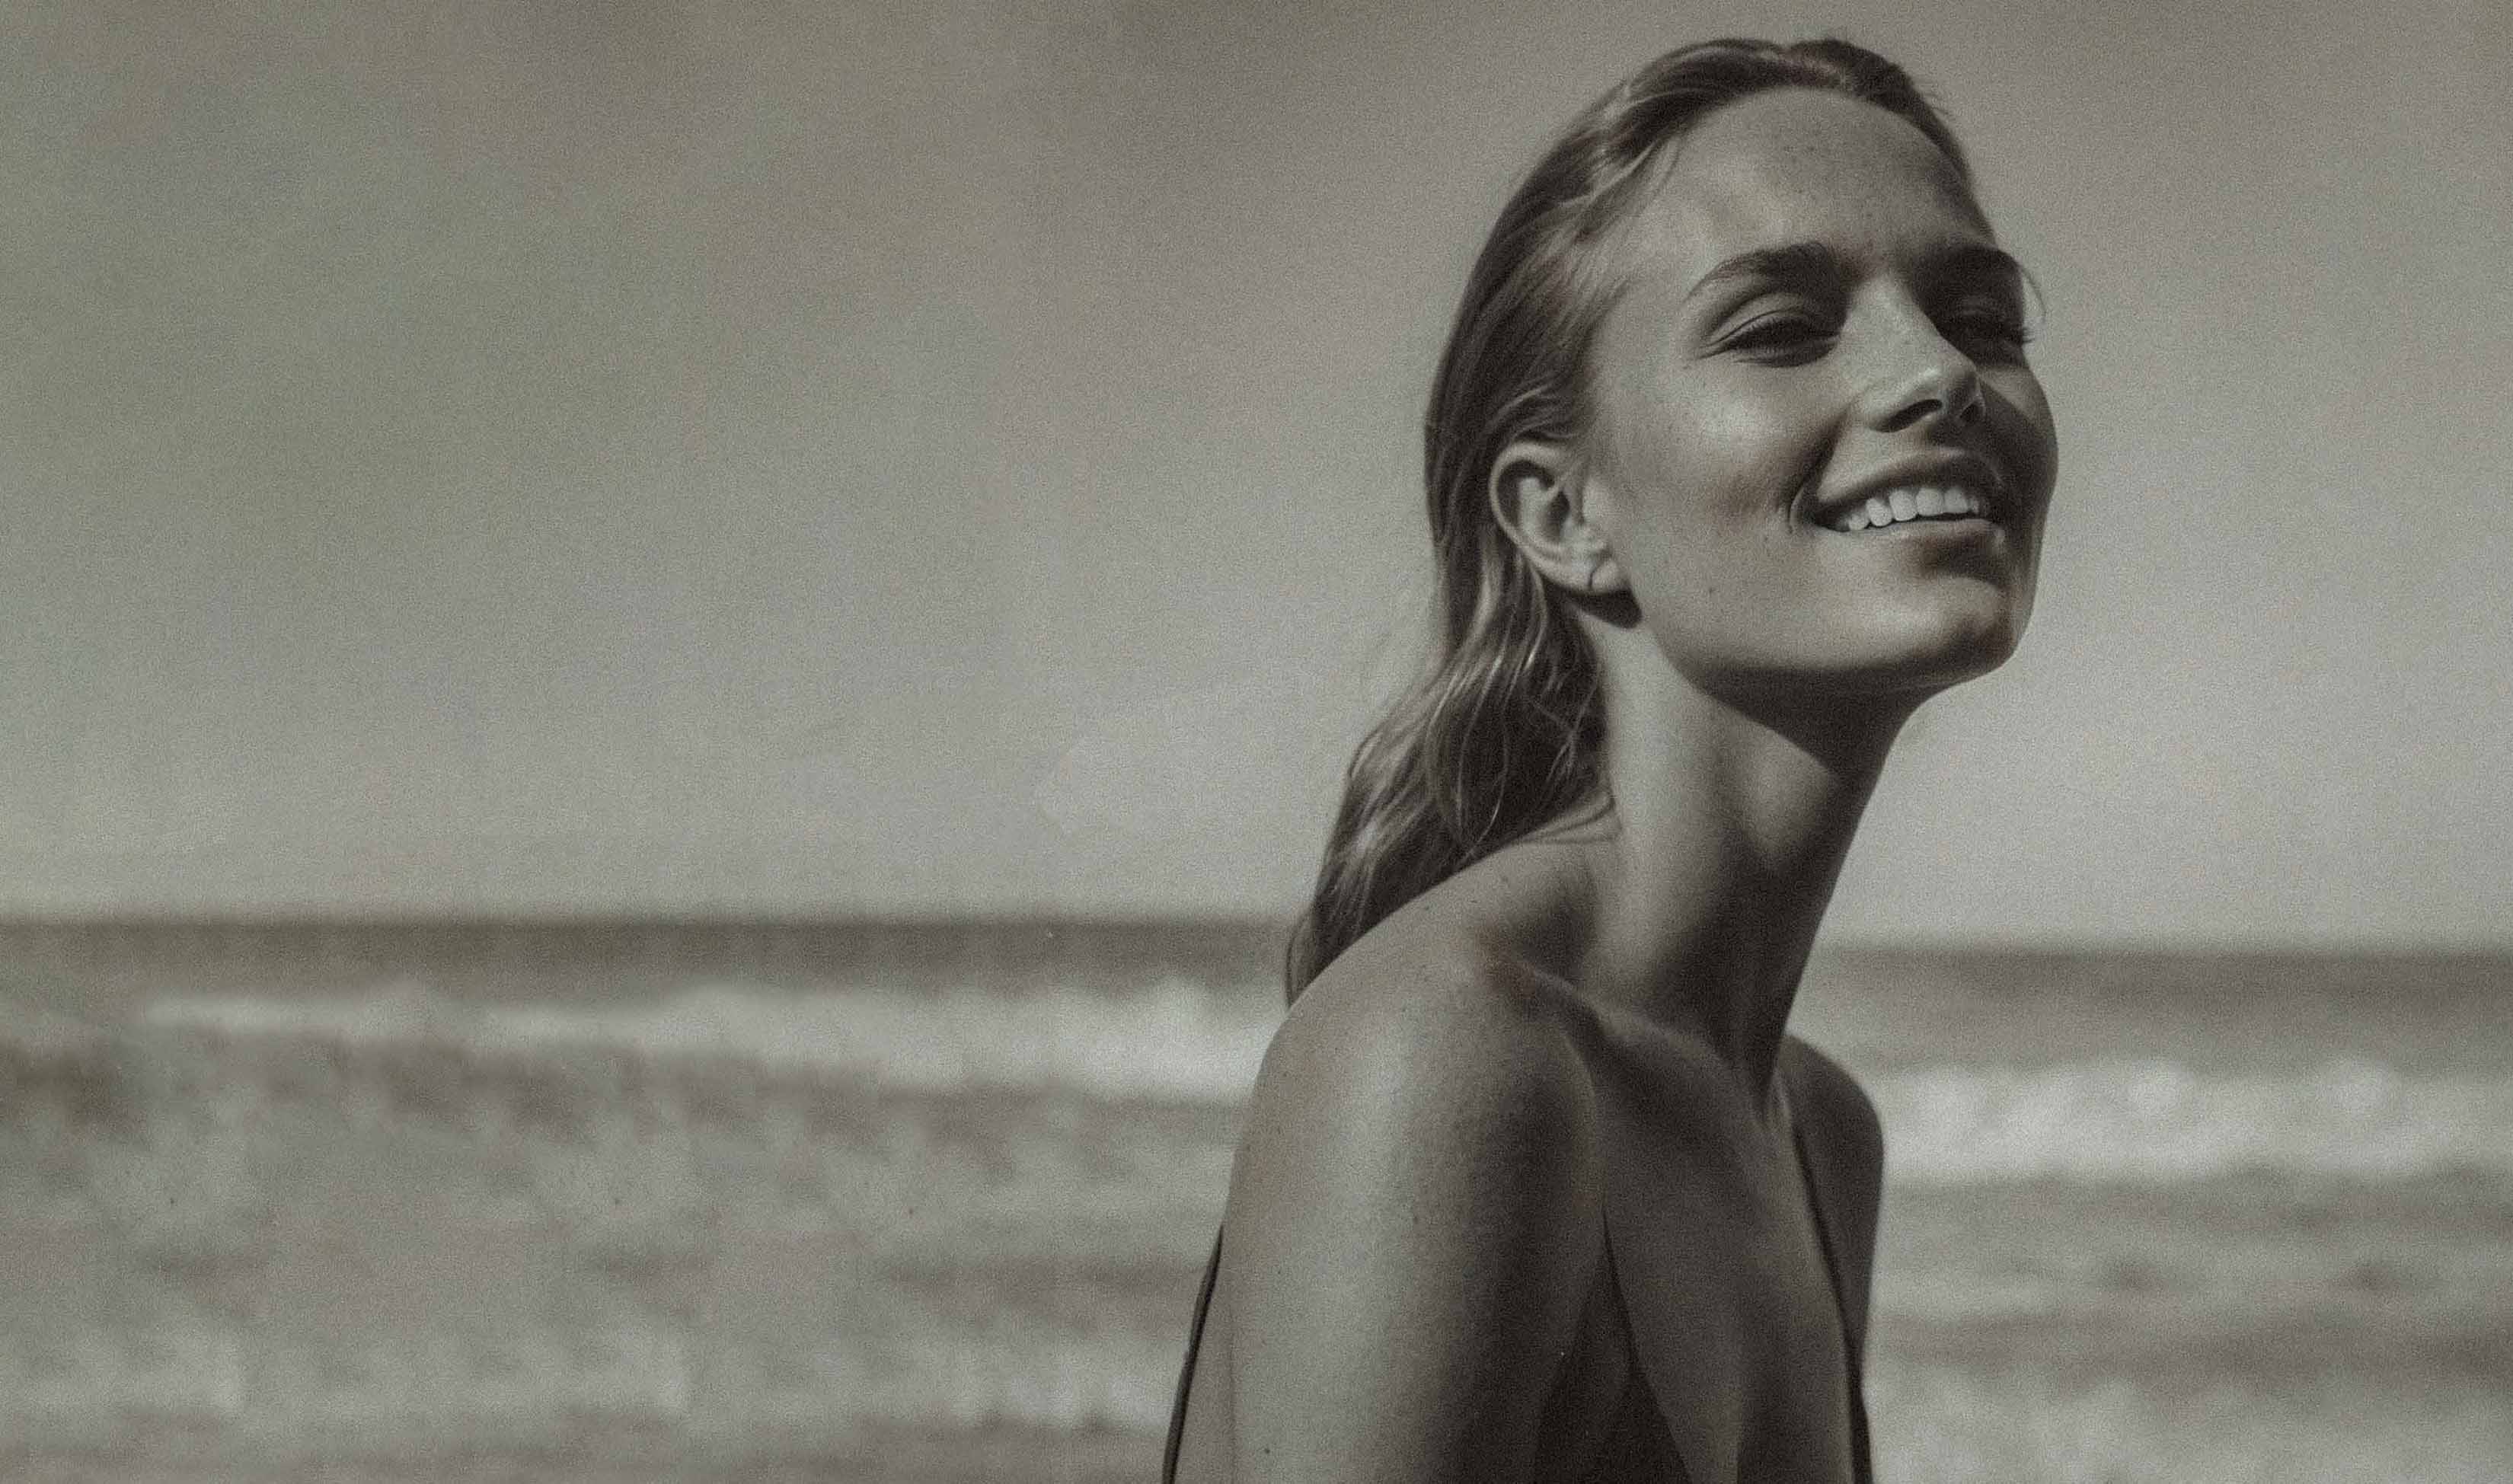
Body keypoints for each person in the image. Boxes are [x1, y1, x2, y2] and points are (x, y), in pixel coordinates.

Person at [1164, 34, 2056, 1483]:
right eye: (1781, 328)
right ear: (1565, 515)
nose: (1942, 370)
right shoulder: (1450, 1063)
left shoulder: (1823, 1139)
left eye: (1981, 316)